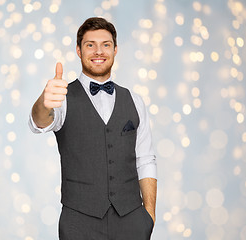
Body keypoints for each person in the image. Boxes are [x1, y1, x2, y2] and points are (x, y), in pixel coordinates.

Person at [29, 17, 157, 240]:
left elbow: (145, 159)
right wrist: (44, 100)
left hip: (132, 220)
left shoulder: (135, 101)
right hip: (79, 222)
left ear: (115, 50)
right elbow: (39, 122)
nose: (99, 51)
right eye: (90, 45)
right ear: (78, 51)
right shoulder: (63, 97)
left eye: (105, 44)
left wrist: (149, 216)